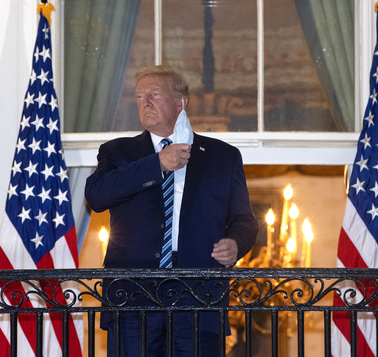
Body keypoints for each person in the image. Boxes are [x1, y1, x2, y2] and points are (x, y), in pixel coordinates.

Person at [84, 65, 259, 356]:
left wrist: (236, 243)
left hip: (199, 294)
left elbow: (244, 220)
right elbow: (96, 196)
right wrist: (157, 164)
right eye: (140, 96)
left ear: (181, 102)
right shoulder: (118, 152)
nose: (145, 102)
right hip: (132, 294)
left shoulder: (222, 156)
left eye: (155, 94)